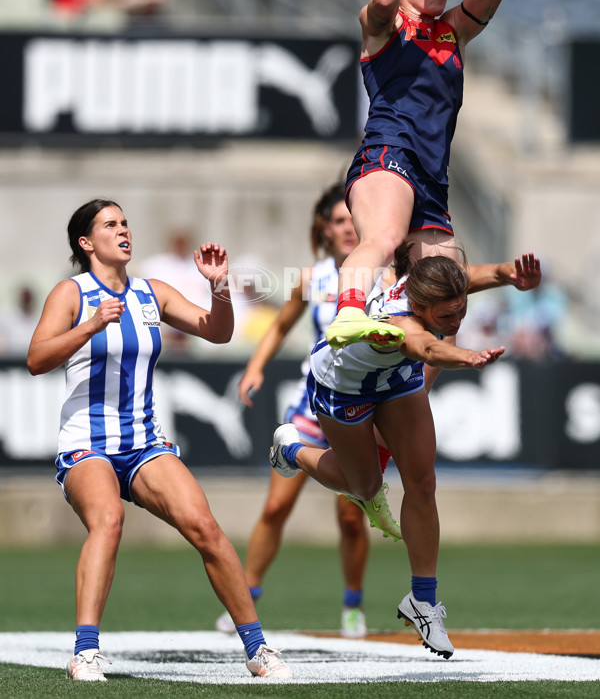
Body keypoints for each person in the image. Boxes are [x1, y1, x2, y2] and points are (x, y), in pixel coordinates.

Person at [26, 199, 292, 682]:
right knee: (108, 520)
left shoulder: (153, 292)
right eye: (110, 224)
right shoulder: (72, 292)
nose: (123, 230)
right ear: (87, 243)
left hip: (145, 442)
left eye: (125, 222)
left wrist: (219, 286)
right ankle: (86, 653)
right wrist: (89, 325)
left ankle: (257, 649)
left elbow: (217, 331)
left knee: (206, 528)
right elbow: (37, 358)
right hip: (88, 442)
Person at [269, 245, 541, 659]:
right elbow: (428, 349)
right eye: (446, 317)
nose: (455, 321)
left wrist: (512, 275)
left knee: (423, 481)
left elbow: (481, 275)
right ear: (418, 305)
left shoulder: (434, 288)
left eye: (460, 312)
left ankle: (423, 601)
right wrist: (466, 356)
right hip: (344, 385)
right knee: (363, 486)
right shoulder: (403, 320)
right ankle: (291, 450)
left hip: (396, 378)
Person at [323, 0, 508, 350]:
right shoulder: (381, 26)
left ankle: (407, 386)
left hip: (433, 176)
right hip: (389, 154)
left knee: (445, 296)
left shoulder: (452, 31)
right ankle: (346, 317)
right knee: (383, 241)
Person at [216, 183, 398, 640]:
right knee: (276, 506)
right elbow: (280, 326)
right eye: (338, 221)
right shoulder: (312, 277)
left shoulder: (384, 275)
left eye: (352, 220)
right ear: (325, 229)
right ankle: (247, 596)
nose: (347, 228)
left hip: (361, 408)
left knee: (352, 514)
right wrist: (254, 367)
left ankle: (352, 604)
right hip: (313, 405)